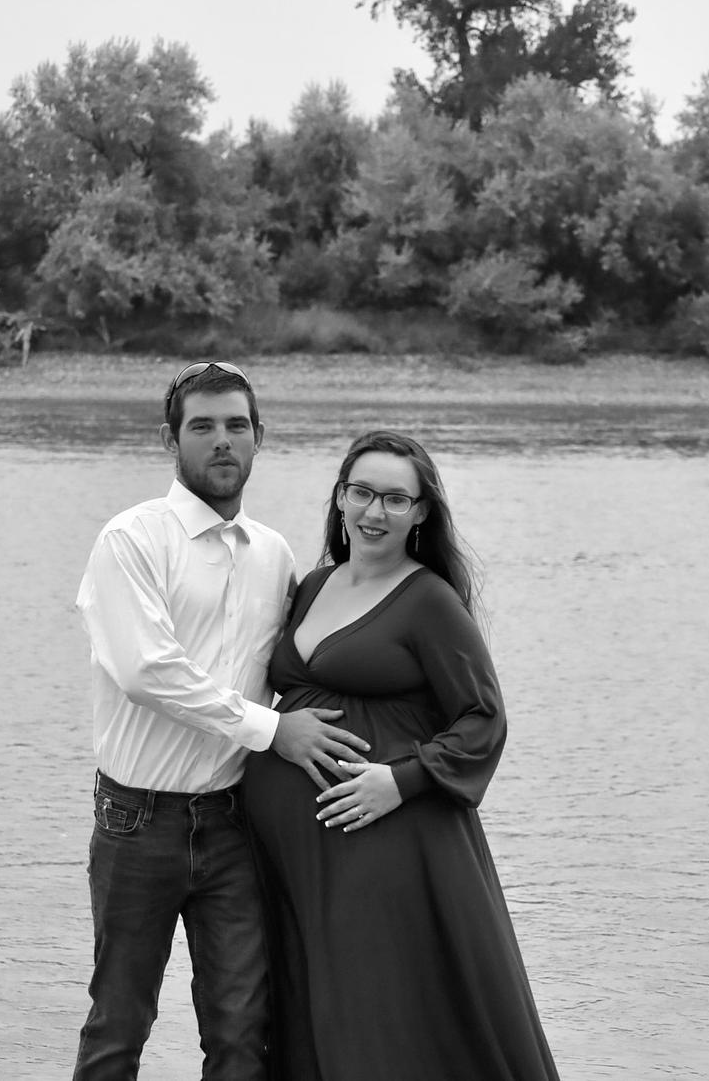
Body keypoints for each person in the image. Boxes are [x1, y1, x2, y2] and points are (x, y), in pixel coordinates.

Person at [72, 361, 370, 1081]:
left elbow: (303, 666)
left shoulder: (274, 554)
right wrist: (272, 731)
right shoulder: (131, 540)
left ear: (259, 437)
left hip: (236, 822)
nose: (222, 440)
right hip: (137, 822)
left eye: (237, 425)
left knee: (242, 1031)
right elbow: (148, 671)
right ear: (171, 440)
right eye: (202, 426)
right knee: (119, 1026)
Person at [241, 429, 561, 1081]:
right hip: (295, 857)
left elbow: (484, 719)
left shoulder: (428, 601)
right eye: (362, 492)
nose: (374, 511)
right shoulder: (314, 585)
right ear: (339, 498)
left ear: (421, 513)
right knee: (314, 1015)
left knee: (381, 1019)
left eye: (394, 498)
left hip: (385, 847)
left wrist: (400, 781)